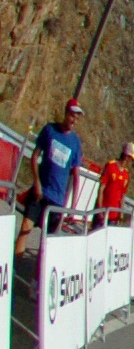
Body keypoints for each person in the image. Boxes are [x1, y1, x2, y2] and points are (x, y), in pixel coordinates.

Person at [18, 98, 81, 249]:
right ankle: (15, 262)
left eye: (77, 117)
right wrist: (37, 183)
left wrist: (71, 208)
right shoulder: (49, 130)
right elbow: (34, 158)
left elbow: (76, 176)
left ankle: (37, 271)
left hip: (57, 200)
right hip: (40, 193)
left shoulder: (76, 142)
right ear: (66, 113)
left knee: (48, 243)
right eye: (72, 115)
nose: (74, 120)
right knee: (26, 227)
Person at [95, 142, 134, 225]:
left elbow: (122, 196)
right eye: (131, 159)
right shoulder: (110, 166)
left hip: (114, 217)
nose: (131, 162)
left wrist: (120, 215)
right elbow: (101, 188)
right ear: (126, 157)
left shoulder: (126, 175)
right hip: (102, 212)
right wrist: (99, 210)